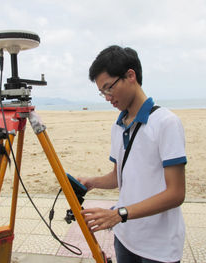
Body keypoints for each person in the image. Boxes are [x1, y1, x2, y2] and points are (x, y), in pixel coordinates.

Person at [79, 45, 187, 263]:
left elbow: (176, 193)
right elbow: (119, 176)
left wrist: (119, 214)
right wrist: (91, 182)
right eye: (102, 92)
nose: (107, 97)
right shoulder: (118, 126)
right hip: (125, 238)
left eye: (109, 88)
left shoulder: (166, 123)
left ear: (130, 76)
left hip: (159, 247)